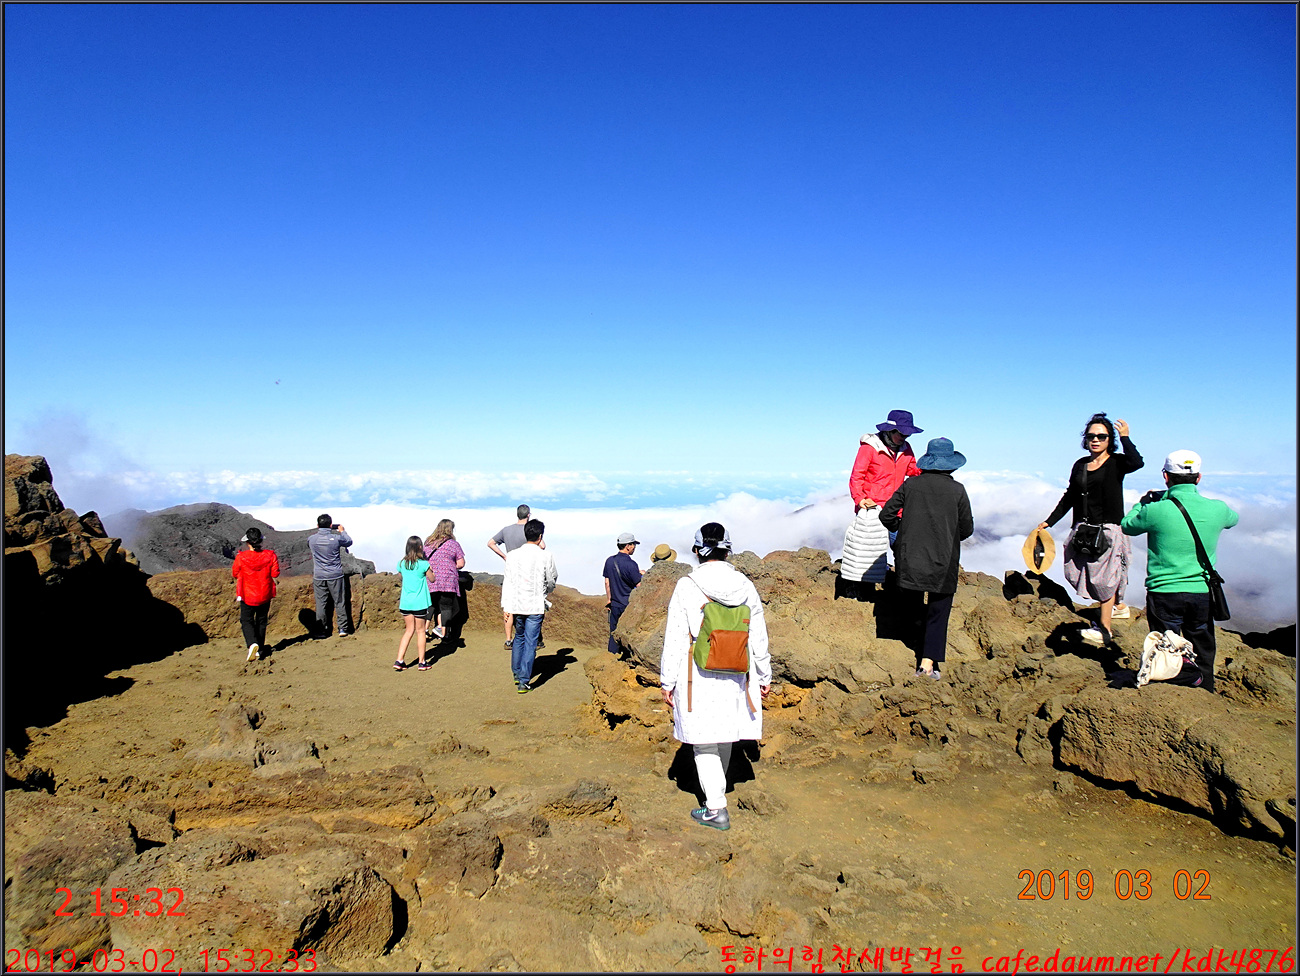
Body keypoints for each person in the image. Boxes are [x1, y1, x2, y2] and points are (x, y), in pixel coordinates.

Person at [659, 523, 772, 831]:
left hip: (698, 671)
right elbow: (758, 634)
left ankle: (715, 808)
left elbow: (675, 637)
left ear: (697, 550)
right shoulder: (745, 585)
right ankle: (717, 792)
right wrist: (764, 674)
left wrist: (667, 681)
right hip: (737, 669)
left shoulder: (687, 585)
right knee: (723, 731)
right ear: (727, 550)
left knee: (704, 740)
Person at [1120, 450, 1238, 693]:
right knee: (1203, 645)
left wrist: (1142, 503)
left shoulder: (1155, 510)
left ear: (1166, 476)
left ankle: (1169, 690)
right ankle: (1205, 689)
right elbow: (1233, 519)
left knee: (1166, 648)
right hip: (1201, 591)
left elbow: (1127, 525)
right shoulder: (1217, 508)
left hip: (1164, 591)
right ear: (1199, 477)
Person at [1038, 413, 1144, 647]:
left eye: (1101, 436)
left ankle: (1104, 630)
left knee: (1105, 577)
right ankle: (1118, 606)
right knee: (1075, 570)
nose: (1095, 440)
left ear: (1109, 440)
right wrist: (1050, 521)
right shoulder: (1080, 464)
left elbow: (1137, 463)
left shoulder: (1116, 463)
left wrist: (1125, 438)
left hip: (1108, 530)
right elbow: (1070, 496)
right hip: (1084, 530)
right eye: (1091, 436)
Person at [880, 438, 973, 680]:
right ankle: (927, 663)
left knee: (913, 605)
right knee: (938, 611)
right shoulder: (958, 490)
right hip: (943, 561)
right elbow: (967, 529)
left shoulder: (911, 485)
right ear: (951, 465)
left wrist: (902, 531)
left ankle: (915, 640)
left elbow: (886, 515)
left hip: (910, 559)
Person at [843, 409, 923, 589]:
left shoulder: (906, 449)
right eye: (901, 433)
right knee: (867, 552)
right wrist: (860, 499)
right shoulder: (869, 448)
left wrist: (930, 469)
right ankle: (860, 590)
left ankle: (901, 588)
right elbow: (857, 475)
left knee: (900, 548)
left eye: (908, 434)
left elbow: (913, 470)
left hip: (896, 509)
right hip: (872, 509)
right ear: (890, 430)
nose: (905, 437)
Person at [500, 519, 557, 694]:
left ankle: (517, 673)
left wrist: (506, 606)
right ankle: (524, 681)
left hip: (517, 604)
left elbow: (508, 581)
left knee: (519, 637)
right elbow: (551, 579)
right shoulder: (545, 556)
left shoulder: (512, 555)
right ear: (540, 536)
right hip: (535, 604)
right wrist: (546, 591)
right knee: (531, 641)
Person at [488, 504, 545, 650]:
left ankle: (508, 640)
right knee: (530, 607)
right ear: (528, 515)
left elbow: (491, 543)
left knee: (509, 607)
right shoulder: (529, 530)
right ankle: (535, 639)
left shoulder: (506, 530)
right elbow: (542, 546)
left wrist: (504, 556)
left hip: (511, 569)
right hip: (528, 571)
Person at [231, 527, 279, 662]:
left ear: (247, 542)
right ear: (260, 541)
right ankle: (260, 649)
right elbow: (275, 573)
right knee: (261, 621)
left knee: (246, 620)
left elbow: (235, 573)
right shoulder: (270, 555)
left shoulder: (241, 557)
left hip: (247, 594)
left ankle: (252, 644)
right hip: (265, 593)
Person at [309, 513, 355, 638]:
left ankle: (321, 630)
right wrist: (342, 531)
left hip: (319, 575)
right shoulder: (336, 538)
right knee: (339, 601)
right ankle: (342, 628)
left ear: (317, 525)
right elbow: (349, 541)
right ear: (330, 525)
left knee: (321, 603)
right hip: (335, 575)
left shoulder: (311, 539)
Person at [394, 535, 435, 671]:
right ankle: (422, 662)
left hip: (406, 603)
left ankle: (399, 660)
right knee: (421, 631)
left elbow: (400, 577)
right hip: (419, 603)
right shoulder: (423, 564)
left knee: (408, 631)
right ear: (420, 547)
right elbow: (432, 579)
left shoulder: (401, 564)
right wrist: (430, 570)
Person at [424, 519, 466, 642]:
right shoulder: (453, 544)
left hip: (430, 579)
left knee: (431, 605)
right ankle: (444, 634)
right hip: (447, 580)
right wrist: (449, 565)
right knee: (447, 607)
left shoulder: (428, 543)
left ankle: (424, 631)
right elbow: (461, 563)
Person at [603, 532, 643, 656]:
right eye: (633, 544)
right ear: (628, 546)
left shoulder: (609, 561)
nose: (634, 547)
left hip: (615, 604)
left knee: (613, 634)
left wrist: (609, 600)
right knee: (628, 634)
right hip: (628, 606)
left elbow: (607, 582)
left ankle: (611, 658)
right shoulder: (631, 564)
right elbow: (639, 586)